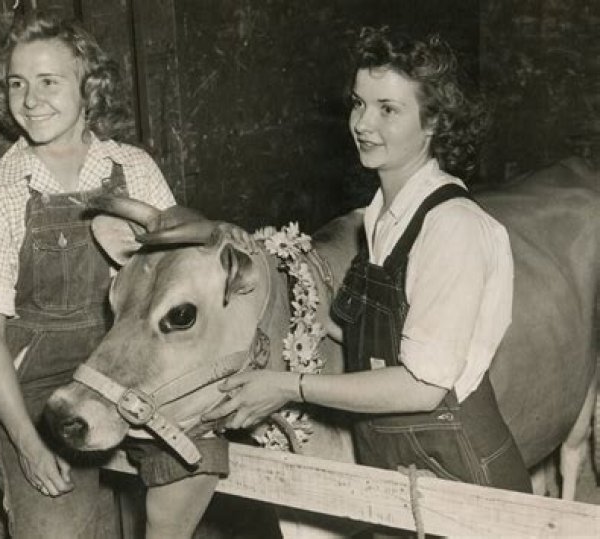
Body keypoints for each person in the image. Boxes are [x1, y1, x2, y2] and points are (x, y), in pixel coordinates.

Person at [203, 26, 532, 494]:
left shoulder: (453, 227)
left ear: (434, 122)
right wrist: (305, 316)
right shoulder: (380, 215)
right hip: (397, 458)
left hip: (458, 468)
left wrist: (288, 385)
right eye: (359, 103)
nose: (362, 123)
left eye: (387, 109)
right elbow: (392, 337)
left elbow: (422, 386)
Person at [0, 11, 222, 538]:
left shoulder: (134, 170)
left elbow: (181, 270)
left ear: (88, 87)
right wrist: (27, 444)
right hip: (42, 389)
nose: (31, 99)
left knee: (188, 487)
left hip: (136, 364)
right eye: (17, 84)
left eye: (48, 81)